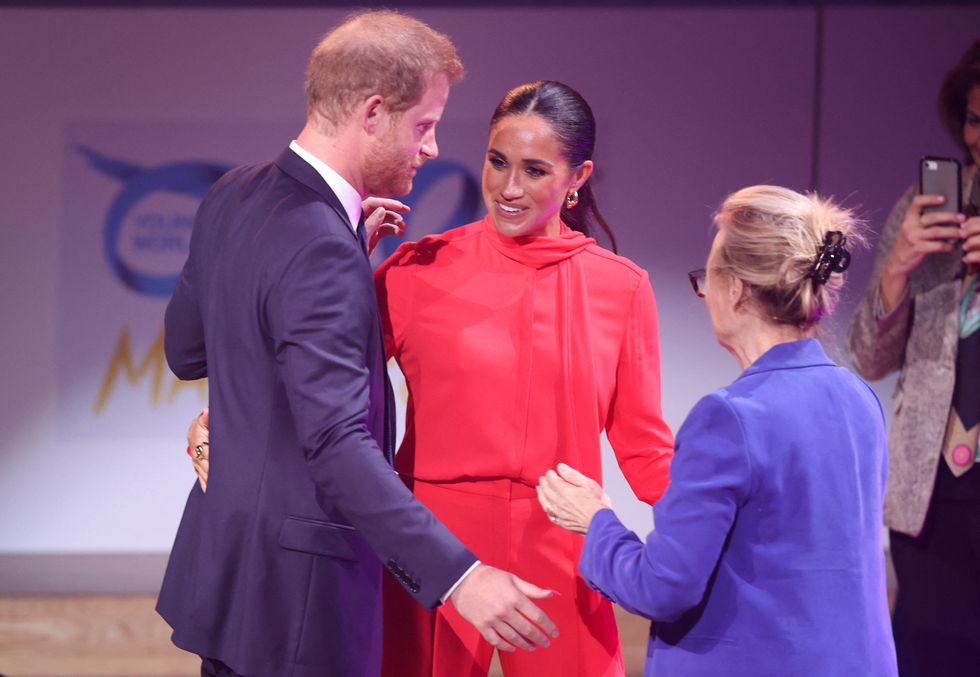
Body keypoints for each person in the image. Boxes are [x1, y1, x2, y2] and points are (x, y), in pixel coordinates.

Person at [188, 80, 674, 676]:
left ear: (578, 177)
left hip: (561, 547)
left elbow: (644, 445)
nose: (509, 188)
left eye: (535, 170)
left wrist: (718, 529)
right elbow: (310, 384)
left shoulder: (622, 288)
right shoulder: (419, 270)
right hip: (433, 548)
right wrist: (222, 427)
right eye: (498, 162)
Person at [160, 12, 557, 677]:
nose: (430, 149)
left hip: (232, 585)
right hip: (299, 608)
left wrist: (344, 248)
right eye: (424, 125)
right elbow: (338, 445)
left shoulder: (234, 194)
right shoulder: (320, 243)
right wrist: (463, 577)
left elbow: (186, 351)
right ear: (374, 112)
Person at [538, 185, 899, 676]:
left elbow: (662, 587)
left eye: (704, 277)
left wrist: (596, 521)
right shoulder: (861, 400)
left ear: (736, 289)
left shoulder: (730, 418)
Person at [846, 39, 980, 675]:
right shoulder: (924, 207)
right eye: (976, 120)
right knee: (927, 650)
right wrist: (896, 271)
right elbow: (868, 360)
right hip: (931, 489)